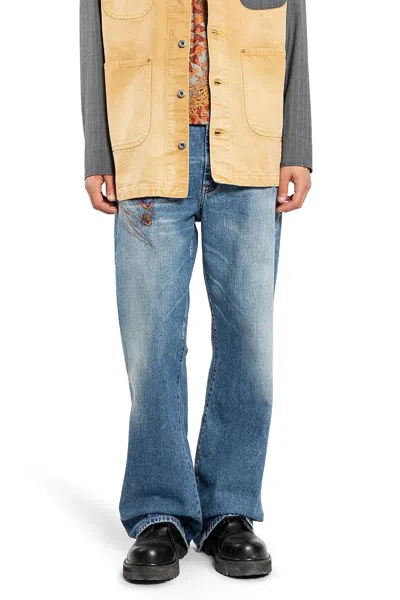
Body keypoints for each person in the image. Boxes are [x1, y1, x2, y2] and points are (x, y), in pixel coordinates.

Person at [80, 0, 312, 583]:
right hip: (146, 145)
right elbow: (93, 29)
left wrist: (298, 146)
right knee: (151, 344)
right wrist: (97, 150)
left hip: (252, 144)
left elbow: (293, 24)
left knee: (249, 344)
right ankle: (159, 511)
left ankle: (228, 508)